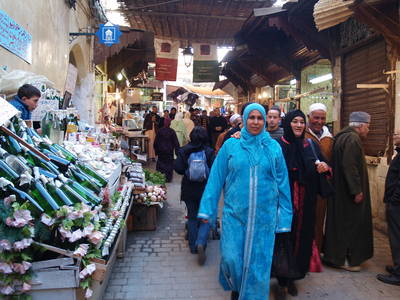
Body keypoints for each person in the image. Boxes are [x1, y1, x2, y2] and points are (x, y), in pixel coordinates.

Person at [198, 103, 292, 300]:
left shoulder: (273, 148)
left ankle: (245, 296)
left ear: (264, 120)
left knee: (258, 266)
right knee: (232, 259)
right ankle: (237, 288)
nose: (256, 122)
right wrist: (208, 209)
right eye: (252, 117)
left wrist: (284, 218)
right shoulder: (231, 145)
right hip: (234, 216)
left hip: (264, 219)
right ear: (244, 119)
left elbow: (283, 185)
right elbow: (215, 179)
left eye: (260, 118)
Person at [274, 109, 331, 296]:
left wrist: (324, 167)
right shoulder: (277, 146)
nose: (299, 125)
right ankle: (282, 278)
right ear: (287, 123)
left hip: (306, 204)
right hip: (282, 204)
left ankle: (294, 276)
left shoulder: (310, 146)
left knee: (302, 240)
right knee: (283, 240)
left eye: (301, 122)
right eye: (294, 122)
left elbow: (326, 167)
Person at [324, 111, 373, 272]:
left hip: (340, 192)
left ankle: (336, 256)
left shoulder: (342, 136)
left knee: (340, 224)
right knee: (350, 225)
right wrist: (356, 190)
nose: (368, 130)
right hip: (347, 194)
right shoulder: (352, 139)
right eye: (367, 126)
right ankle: (345, 259)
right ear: (360, 126)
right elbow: (349, 166)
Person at [174, 127, 215, 261]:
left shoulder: (184, 150)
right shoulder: (209, 151)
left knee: (192, 217)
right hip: (205, 189)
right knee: (205, 216)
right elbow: (214, 171)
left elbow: (178, 168)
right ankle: (201, 242)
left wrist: (187, 170)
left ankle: (192, 246)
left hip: (189, 188)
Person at [305, 103, 333, 253]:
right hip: (305, 186)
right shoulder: (302, 134)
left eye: (322, 118)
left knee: (319, 218)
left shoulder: (329, 138)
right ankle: (304, 252)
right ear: (309, 117)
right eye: (316, 117)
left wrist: (328, 169)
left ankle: (316, 251)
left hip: (322, 186)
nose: (319, 121)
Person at [377, 131, 400, 285]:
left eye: (397, 134)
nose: (394, 136)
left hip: (397, 204)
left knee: (397, 237)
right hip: (395, 202)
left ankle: (398, 274)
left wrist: (394, 200)